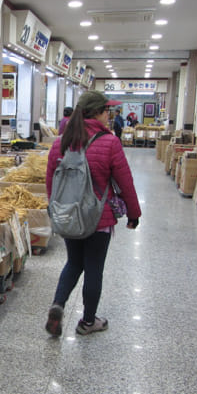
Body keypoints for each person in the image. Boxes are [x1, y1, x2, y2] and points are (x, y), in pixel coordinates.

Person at [44, 90, 141, 337]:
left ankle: (58, 304)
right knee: (94, 267)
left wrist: (57, 210)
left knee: (73, 263)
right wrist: (133, 213)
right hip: (99, 217)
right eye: (107, 110)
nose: (109, 115)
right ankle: (88, 322)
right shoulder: (110, 142)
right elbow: (125, 181)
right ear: (98, 112)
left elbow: (51, 182)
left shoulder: (60, 142)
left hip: (69, 215)